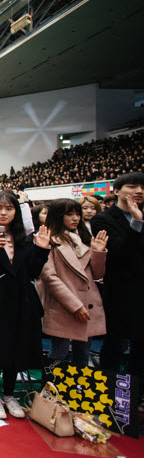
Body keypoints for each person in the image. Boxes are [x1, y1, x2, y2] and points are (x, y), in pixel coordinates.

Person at [0, 191, 51, 420]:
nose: (4, 213)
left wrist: (42, 251)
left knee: (16, 346)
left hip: (21, 301)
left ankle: (9, 394)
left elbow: (33, 272)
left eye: (9, 208)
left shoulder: (24, 239)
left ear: (16, 211)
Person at [90, 172, 144, 411]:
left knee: (141, 348)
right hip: (121, 291)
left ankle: (133, 399)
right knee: (115, 344)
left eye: (142, 187)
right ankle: (109, 398)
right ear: (118, 190)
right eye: (132, 186)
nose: (139, 191)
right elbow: (120, 254)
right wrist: (136, 223)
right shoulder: (104, 220)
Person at [37, 199, 108, 368]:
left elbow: (97, 274)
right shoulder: (49, 240)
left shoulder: (83, 239)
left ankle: (77, 392)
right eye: (69, 214)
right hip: (64, 306)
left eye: (77, 214)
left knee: (83, 354)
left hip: (88, 304)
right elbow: (50, 277)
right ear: (58, 216)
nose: (75, 218)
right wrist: (75, 305)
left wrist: (98, 252)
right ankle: (52, 393)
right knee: (58, 354)